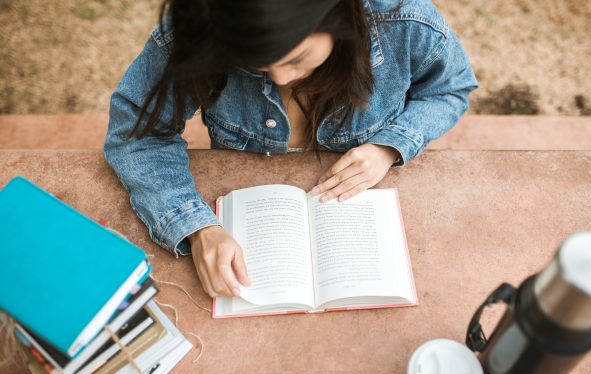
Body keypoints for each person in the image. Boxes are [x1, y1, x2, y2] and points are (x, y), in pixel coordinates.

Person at [104, 0, 478, 299]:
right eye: (257, 65)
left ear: (338, 16)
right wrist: (196, 226)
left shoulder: (403, 19)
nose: (281, 78)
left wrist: (390, 145)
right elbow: (137, 134)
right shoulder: (203, 23)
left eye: (297, 58)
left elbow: (449, 88)